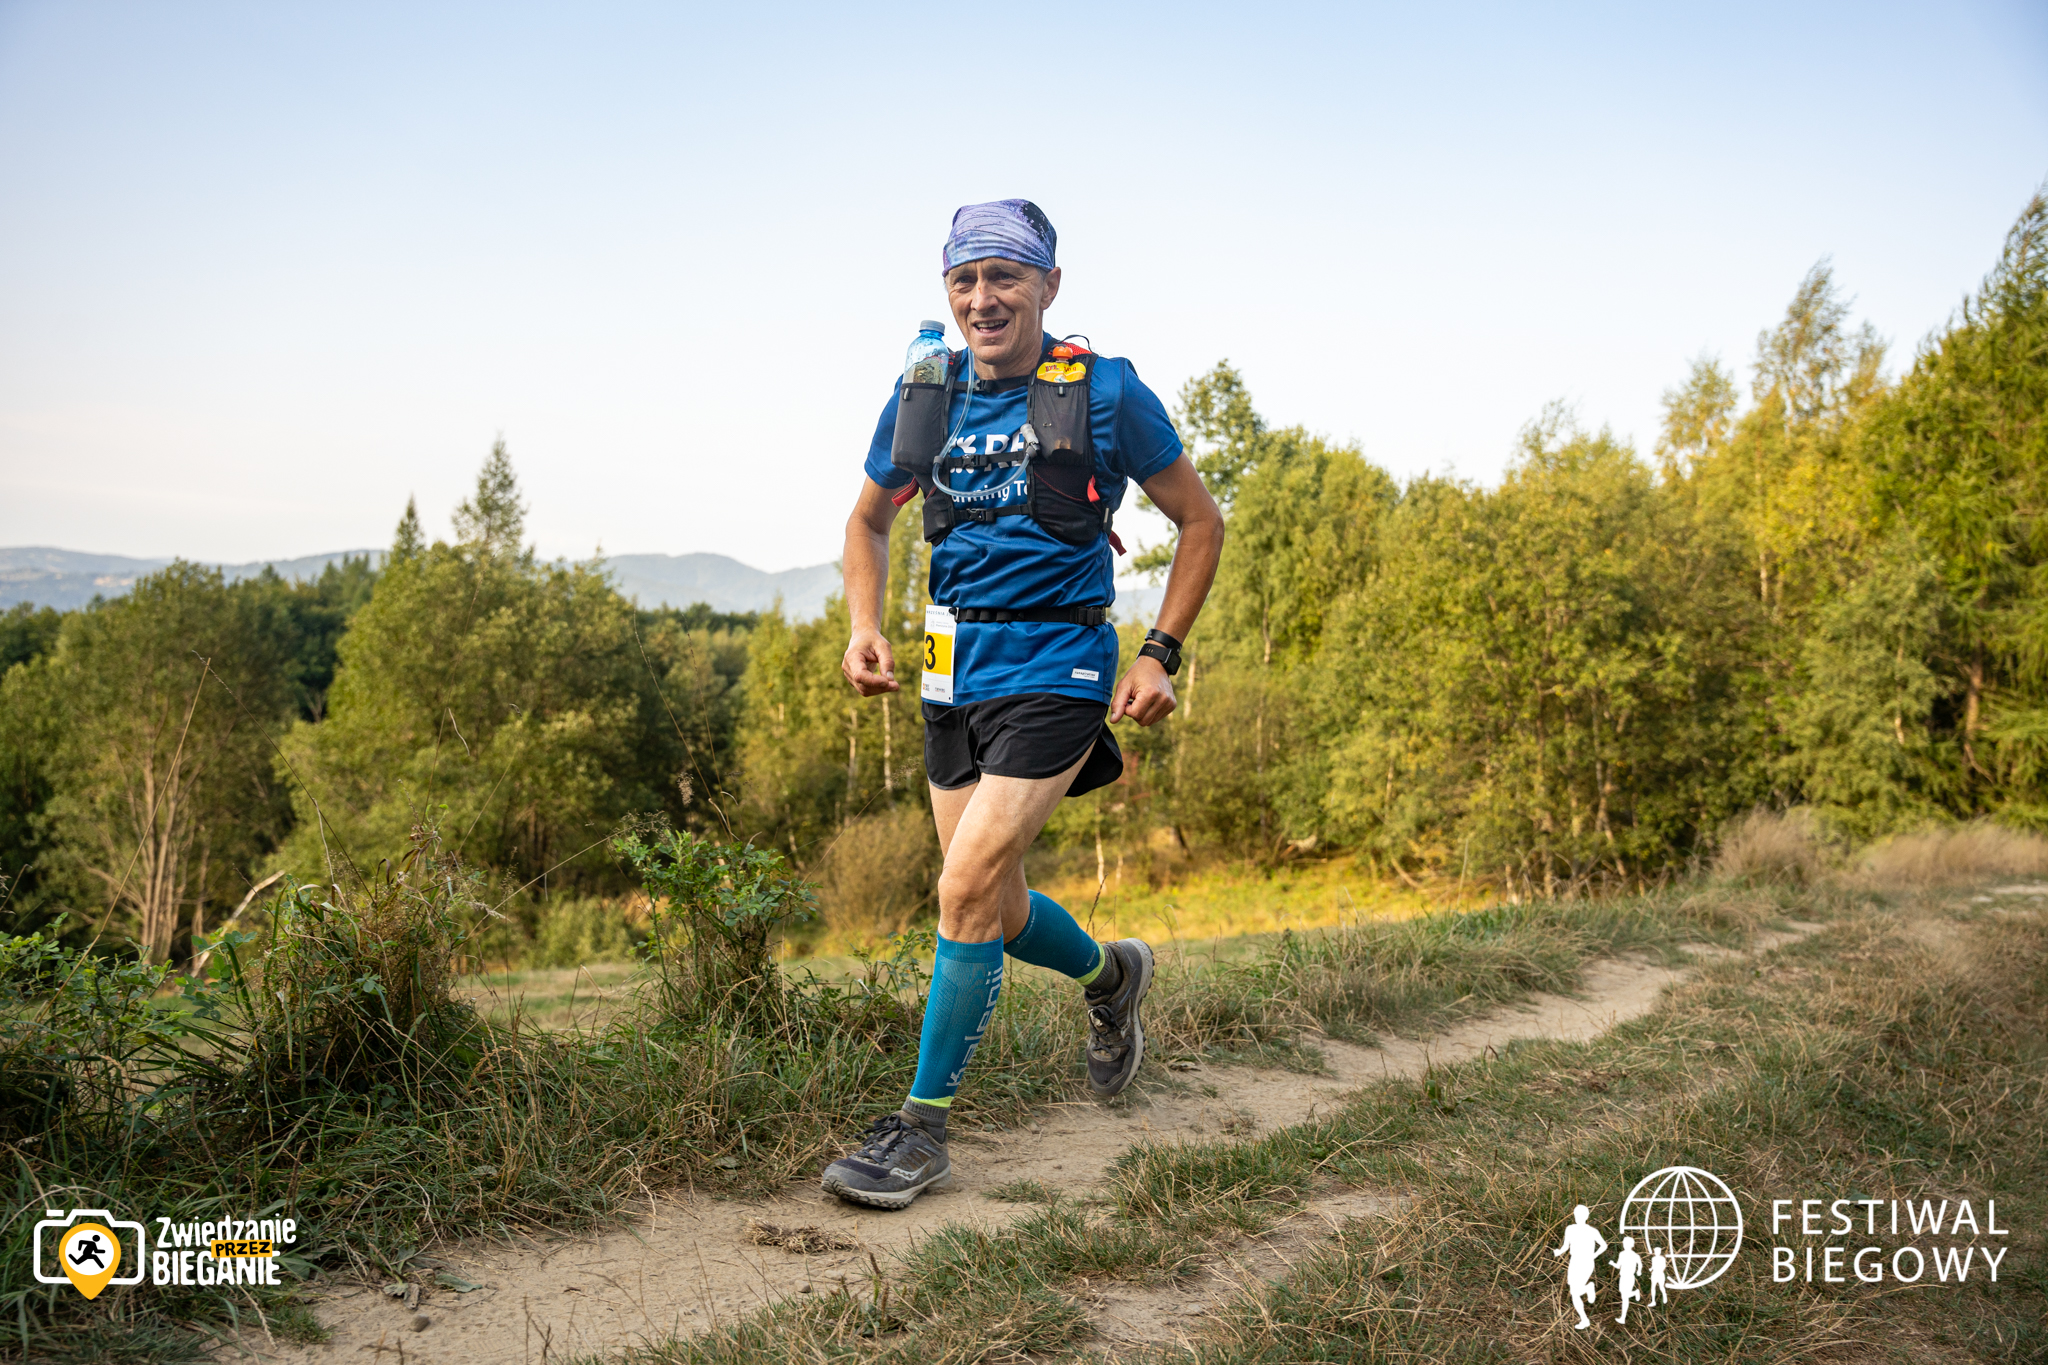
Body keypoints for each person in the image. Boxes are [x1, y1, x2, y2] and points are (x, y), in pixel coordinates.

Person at [818, 199, 1225, 1210]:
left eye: (1003, 276)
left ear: (1048, 284)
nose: (982, 299)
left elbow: (1199, 520)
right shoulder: (924, 393)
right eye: (964, 280)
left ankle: (919, 1131)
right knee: (994, 913)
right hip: (950, 667)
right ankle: (1111, 978)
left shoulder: (1105, 391)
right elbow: (866, 523)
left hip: (1059, 661)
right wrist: (864, 624)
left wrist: (1159, 652)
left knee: (959, 889)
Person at [1552, 1205, 1609, 1331]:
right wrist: (1558, 1252)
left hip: (1585, 1261)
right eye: (1577, 1215)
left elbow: (1603, 1245)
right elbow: (1566, 1246)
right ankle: (1584, 1319)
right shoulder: (1570, 1229)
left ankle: (1588, 1290)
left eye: (1581, 1215)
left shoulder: (1591, 1231)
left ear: (1587, 1216)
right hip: (1575, 1261)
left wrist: (1593, 1255)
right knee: (1574, 1292)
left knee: (1575, 1292)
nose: (1578, 1217)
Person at [1611, 1235, 1643, 1324]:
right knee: (1623, 1295)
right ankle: (1635, 1292)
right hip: (1624, 1276)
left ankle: (1623, 1318)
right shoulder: (1625, 1254)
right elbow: (1619, 1265)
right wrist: (1639, 1270)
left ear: (1631, 1245)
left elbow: (1639, 1264)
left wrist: (1612, 1263)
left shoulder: (1631, 1255)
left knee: (1625, 1297)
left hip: (1628, 1277)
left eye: (1626, 1243)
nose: (1624, 1245)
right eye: (1624, 1243)